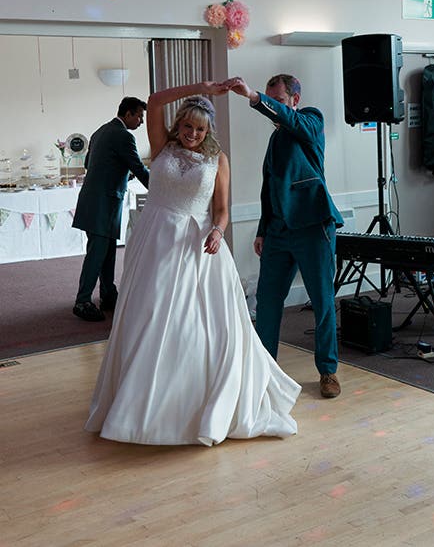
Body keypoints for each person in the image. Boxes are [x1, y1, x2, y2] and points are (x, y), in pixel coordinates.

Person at [85, 81, 301, 446]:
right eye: (188, 127)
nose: (193, 135)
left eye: (200, 130)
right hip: (155, 239)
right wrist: (204, 88)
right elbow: (153, 101)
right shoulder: (162, 146)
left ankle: (188, 404)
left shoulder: (219, 160)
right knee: (148, 315)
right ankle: (139, 404)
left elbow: (221, 210)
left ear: (208, 130)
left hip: (196, 245)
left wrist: (217, 231)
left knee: (197, 323)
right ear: (179, 124)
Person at [224, 74, 344, 399]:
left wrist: (254, 97)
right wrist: (263, 230)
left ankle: (328, 371)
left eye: (279, 100)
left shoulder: (311, 121)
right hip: (278, 232)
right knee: (267, 302)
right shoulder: (275, 139)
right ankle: (265, 369)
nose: (275, 106)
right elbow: (269, 189)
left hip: (312, 226)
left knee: (322, 301)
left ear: (294, 99)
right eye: (270, 100)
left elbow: (290, 120)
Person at [72, 97, 150, 322]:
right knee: (97, 253)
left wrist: (120, 171)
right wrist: (162, 188)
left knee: (106, 250)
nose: (141, 121)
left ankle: (108, 294)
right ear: (127, 114)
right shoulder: (124, 136)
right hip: (104, 202)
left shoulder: (100, 131)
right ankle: (83, 301)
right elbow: (139, 167)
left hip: (94, 199)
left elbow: (90, 164)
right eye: (139, 116)